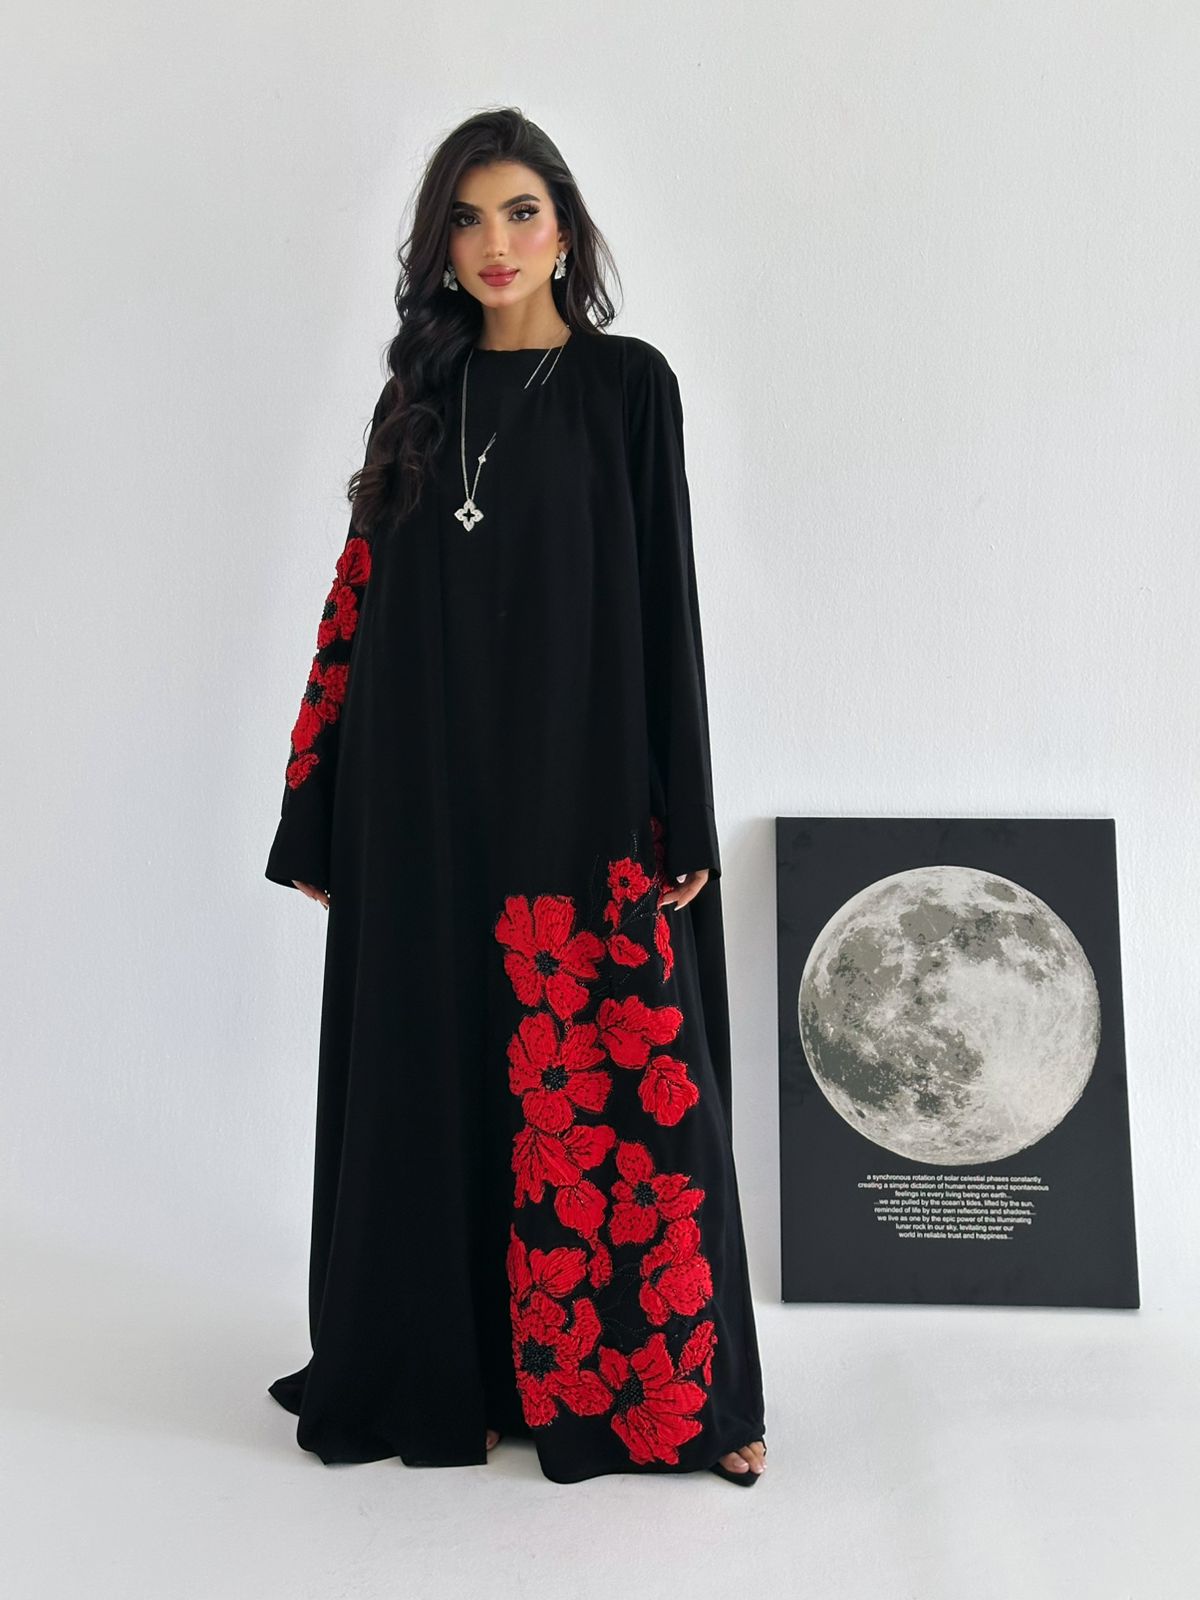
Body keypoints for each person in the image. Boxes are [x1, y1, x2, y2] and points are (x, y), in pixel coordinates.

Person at [263, 106, 767, 1486]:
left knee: (620, 1076)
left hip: (577, 781)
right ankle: (460, 1376)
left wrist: (682, 805)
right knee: (441, 1072)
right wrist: (316, 807)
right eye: (467, 219)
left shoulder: (627, 385)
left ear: (565, 226)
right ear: (439, 245)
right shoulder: (417, 398)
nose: (496, 243)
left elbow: (665, 602)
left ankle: (679, 1403)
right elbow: (355, 605)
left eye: (520, 212)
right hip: (419, 795)